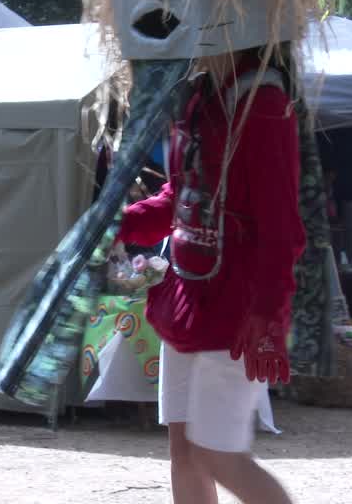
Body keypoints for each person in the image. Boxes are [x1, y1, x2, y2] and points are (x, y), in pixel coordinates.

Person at [119, 47, 306, 504]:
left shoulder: (264, 105)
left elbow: (282, 227)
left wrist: (268, 314)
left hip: (236, 315)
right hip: (186, 300)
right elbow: (181, 195)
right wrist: (118, 222)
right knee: (184, 454)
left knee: (218, 455)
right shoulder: (198, 95)